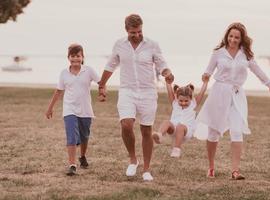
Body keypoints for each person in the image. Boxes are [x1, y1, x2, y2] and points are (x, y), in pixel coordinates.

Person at [194, 22, 270, 180]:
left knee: (237, 130)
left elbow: (257, 70)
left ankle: (235, 171)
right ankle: (211, 167)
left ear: (241, 39)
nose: (233, 39)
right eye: (231, 36)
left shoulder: (245, 54)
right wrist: (205, 76)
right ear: (227, 36)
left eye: (236, 37)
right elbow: (208, 71)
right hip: (219, 93)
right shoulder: (218, 53)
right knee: (213, 132)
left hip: (237, 95)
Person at [98, 14, 174, 181]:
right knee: (126, 125)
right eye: (133, 32)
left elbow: (162, 65)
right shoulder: (119, 45)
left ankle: (146, 169)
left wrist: (168, 74)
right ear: (127, 30)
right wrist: (102, 84)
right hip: (127, 91)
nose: (137, 35)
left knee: (146, 130)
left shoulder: (152, 45)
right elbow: (110, 65)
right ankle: (133, 159)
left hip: (148, 92)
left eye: (139, 31)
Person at [46, 44, 100, 176]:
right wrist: (50, 108)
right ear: (68, 57)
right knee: (71, 136)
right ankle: (72, 165)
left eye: (78, 56)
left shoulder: (89, 71)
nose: (75, 58)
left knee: (84, 136)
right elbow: (58, 91)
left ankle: (82, 156)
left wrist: (102, 92)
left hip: (86, 110)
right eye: (73, 56)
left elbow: (101, 83)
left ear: (82, 57)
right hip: (69, 109)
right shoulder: (64, 73)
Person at [152, 80, 208, 158]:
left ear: (190, 99)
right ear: (177, 98)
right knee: (166, 122)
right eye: (181, 101)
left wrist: (205, 82)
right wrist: (168, 83)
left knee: (180, 126)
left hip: (186, 131)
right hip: (174, 129)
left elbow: (202, 93)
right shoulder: (175, 103)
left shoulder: (193, 104)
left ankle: (176, 149)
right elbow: (169, 92)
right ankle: (160, 135)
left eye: (186, 101)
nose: (183, 103)